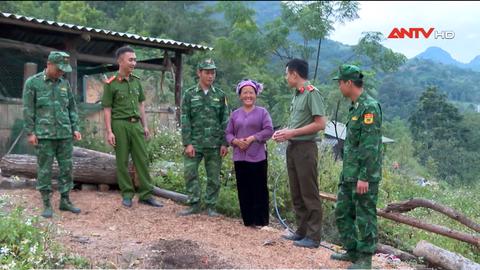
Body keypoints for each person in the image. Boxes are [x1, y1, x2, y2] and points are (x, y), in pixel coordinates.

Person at [330, 64, 383, 269]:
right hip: (349, 174)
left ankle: (365, 259)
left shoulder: (369, 107)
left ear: (349, 83)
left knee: (365, 216)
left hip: (363, 176)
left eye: (340, 83)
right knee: (342, 212)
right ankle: (352, 251)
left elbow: (370, 147)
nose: (339, 87)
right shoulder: (355, 107)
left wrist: (364, 177)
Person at [273, 58, 327, 248]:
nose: (286, 77)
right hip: (293, 147)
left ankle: (313, 237)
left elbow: (320, 124)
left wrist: (292, 133)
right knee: (296, 191)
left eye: (287, 73)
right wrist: (284, 132)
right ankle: (301, 231)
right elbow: (299, 123)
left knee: (308, 193)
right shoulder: (298, 95)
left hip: (305, 149)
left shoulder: (312, 93)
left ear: (294, 74)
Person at [23, 51, 82, 218]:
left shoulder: (64, 84)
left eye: (64, 69)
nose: (62, 72)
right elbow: (28, 109)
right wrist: (30, 132)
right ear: (49, 64)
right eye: (59, 68)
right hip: (44, 136)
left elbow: (71, 107)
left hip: (64, 134)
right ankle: (47, 203)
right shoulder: (33, 83)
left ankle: (65, 200)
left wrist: (75, 127)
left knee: (67, 168)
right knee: (44, 170)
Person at [101, 46, 163, 208]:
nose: (134, 63)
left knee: (142, 159)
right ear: (120, 61)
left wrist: (146, 126)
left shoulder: (136, 81)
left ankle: (145, 194)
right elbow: (107, 109)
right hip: (119, 124)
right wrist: (109, 131)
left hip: (136, 125)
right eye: (131, 60)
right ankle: (127, 194)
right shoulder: (111, 84)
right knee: (122, 160)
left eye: (135, 60)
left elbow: (141, 105)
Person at [180, 59, 229, 217]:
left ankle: (210, 206)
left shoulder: (220, 95)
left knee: (214, 177)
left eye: (213, 72)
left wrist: (224, 143)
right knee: (190, 172)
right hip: (195, 142)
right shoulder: (189, 94)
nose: (210, 75)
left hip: (214, 144)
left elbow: (225, 120)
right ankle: (194, 204)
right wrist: (187, 143)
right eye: (207, 72)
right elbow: (185, 119)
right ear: (199, 73)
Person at [225, 79, 274, 227]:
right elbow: (228, 133)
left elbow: (269, 130)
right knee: (243, 188)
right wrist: (236, 141)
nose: (248, 96)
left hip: (258, 156)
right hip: (240, 157)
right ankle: (247, 220)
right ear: (240, 95)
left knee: (259, 188)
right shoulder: (235, 114)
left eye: (251, 93)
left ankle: (261, 221)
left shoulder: (262, 112)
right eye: (245, 92)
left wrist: (253, 138)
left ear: (256, 94)